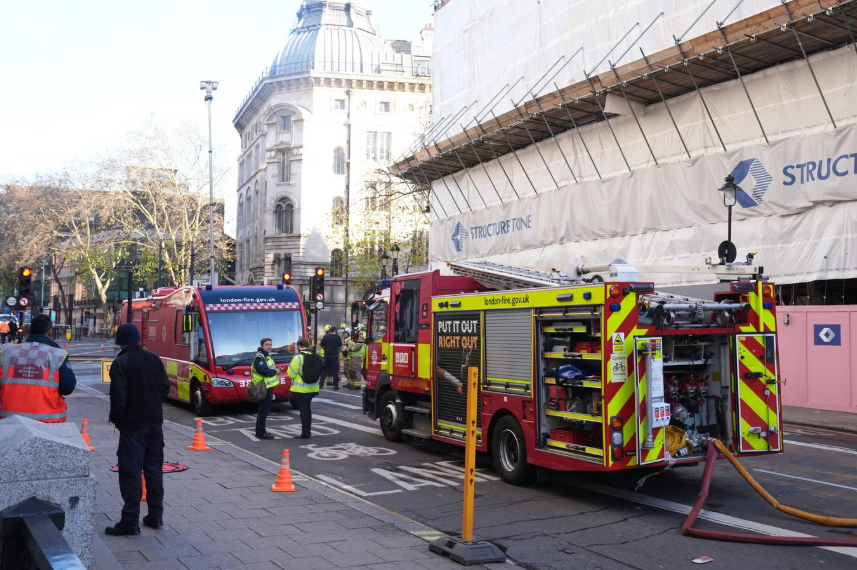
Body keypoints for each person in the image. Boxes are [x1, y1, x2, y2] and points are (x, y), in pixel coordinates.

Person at [105, 323, 170, 536]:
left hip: (133, 427)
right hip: (155, 424)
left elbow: (118, 397)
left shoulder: (121, 363)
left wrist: (118, 420)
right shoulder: (154, 358)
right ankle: (155, 516)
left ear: (120, 342)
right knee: (154, 470)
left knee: (130, 472)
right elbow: (165, 387)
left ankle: (130, 521)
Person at [0, 314, 76, 422]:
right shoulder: (57, 354)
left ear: (30, 330)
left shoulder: (6, 352)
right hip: (47, 420)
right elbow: (67, 388)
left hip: (9, 418)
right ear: (49, 332)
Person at [287, 337, 323, 438]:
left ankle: (305, 433)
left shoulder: (297, 358)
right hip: (313, 388)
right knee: (308, 410)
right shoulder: (315, 356)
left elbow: (290, 374)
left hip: (301, 389)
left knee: (303, 412)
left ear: (299, 346)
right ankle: (308, 431)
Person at [251, 337, 285, 439]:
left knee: (264, 410)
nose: (269, 347)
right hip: (263, 387)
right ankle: (261, 433)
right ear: (262, 346)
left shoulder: (266, 356)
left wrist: (276, 370)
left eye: (270, 345)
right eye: (267, 345)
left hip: (267, 386)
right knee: (263, 411)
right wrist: (275, 371)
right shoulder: (259, 358)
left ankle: (261, 431)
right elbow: (264, 371)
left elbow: (267, 369)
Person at [319, 325, 343, 390]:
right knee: (335, 370)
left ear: (330, 331)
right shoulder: (337, 337)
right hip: (334, 356)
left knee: (325, 370)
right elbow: (340, 346)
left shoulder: (325, 337)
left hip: (326, 355)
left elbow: (321, 345)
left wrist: (325, 349)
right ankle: (335, 386)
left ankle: (320, 385)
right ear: (335, 331)